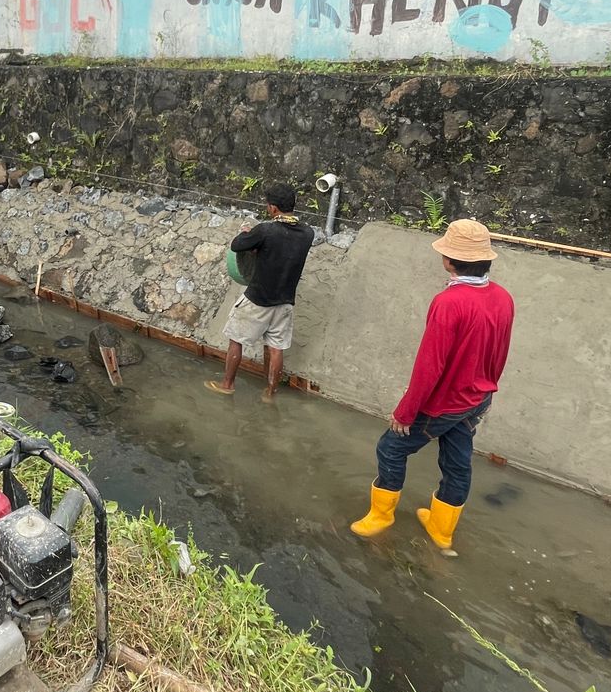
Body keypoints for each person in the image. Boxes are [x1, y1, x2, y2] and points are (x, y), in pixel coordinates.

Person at [350, 219, 515, 551]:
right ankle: (442, 530)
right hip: (478, 397)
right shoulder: (502, 297)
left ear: (450, 260)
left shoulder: (449, 302)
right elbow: (501, 351)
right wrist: (486, 389)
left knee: (390, 448)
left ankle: (382, 516)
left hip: (444, 402)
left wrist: (406, 412)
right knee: (457, 461)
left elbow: (429, 367)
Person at [206, 183, 316, 402]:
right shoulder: (307, 233)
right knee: (276, 348)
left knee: (236, 339)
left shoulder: (266, 230)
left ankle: (227, 384)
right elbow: (282, 249)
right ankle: (270, 393)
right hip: (285, 301)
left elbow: (237, 245)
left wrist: (249, 235)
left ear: (273, 208)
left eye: (268, 206)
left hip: (257, 299)